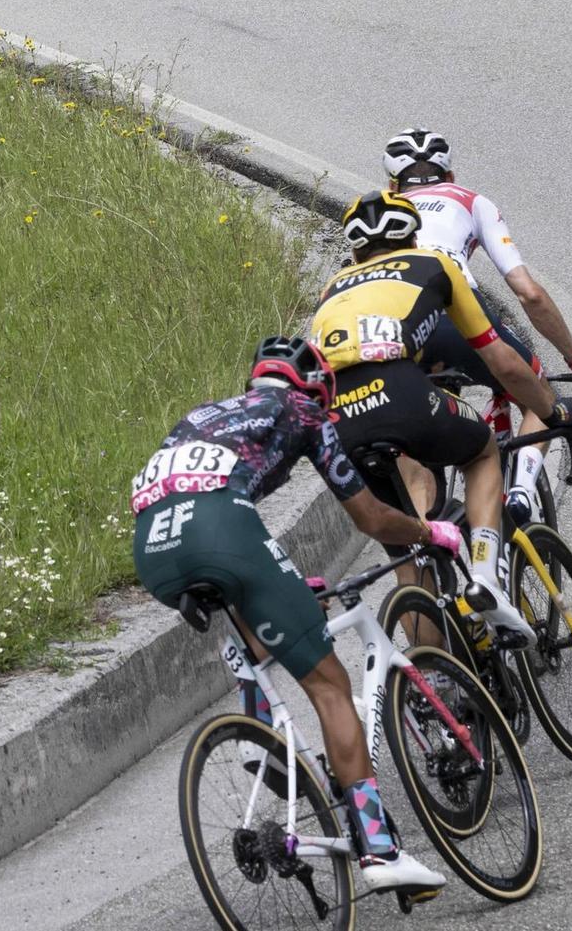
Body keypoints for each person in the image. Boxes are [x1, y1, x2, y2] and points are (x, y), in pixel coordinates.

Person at [133, 335, 457, 896]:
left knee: (255, 609)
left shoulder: (203, 416)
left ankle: (259, 739)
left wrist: (273, 580)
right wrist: (430, 531)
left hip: (153, 549)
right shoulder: (303, 411)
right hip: (221, 531)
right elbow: (373, 519)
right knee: (330, 685)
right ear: (316, 386)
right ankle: (380, 850)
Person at [310, 190, 572, 641]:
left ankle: (436, 682)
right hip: (399, 388)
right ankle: (484, 577)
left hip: (336, 418)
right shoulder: (434, 264)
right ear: (415, 237)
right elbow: (504, 363)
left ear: (355, 250)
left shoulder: (330, 288)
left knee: (411, 560)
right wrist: (551, 410)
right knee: (481, 449)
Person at [383, 128, 572, 523]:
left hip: (388, 330)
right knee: (535, 391)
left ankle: (428, 546)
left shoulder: (377, 211)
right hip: (454, 317)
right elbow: (529, 294)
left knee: (409, 439)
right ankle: (521, 495)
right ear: (450, 176)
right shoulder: (471, 201)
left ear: (392, 184)